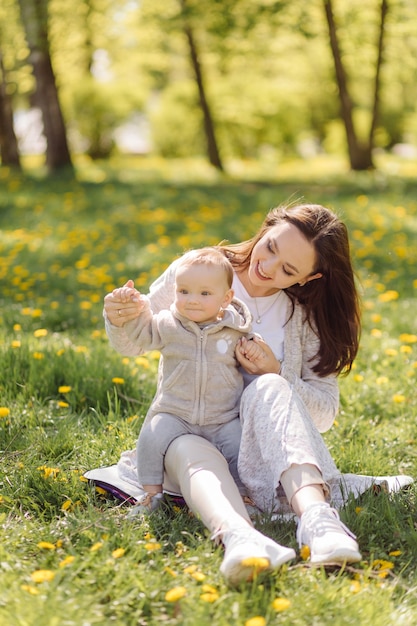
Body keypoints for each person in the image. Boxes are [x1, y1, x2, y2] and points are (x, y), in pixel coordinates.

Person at [103, 203, 364, 585]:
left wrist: (277, 371)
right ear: (267, 226)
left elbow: (324, 412)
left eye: (289, 270)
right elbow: (136, 339)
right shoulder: (201, 269)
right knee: (185, 439)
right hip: (192, 440)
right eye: (271, 247)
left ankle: (319, 522)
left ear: (311, 277)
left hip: (265, 454)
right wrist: (119, 315)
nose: (269, 268)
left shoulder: (301, 318)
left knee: (270, 386)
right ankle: (240, 538)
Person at [107, 247, 264, 514]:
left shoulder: (235, 330)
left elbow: (252, 354)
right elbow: (142, 334)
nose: (192, 300)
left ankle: (243, 497)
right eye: (184, 291)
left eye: (204, 293)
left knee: (241, 449)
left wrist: (255, 349)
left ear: (226, 298)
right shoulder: (168, 325)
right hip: (175, 412)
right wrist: (134, 311)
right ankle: (150, 495)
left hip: (222, 416)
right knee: (150, 438)